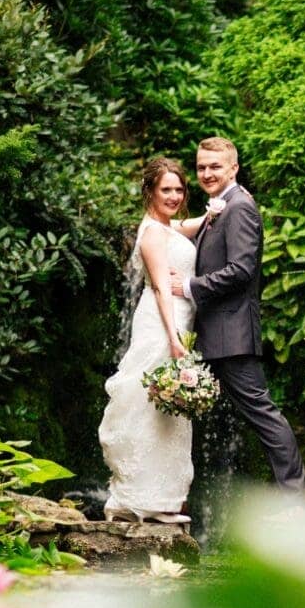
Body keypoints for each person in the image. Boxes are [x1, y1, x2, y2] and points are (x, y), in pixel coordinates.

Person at [170, 137, 305, 517]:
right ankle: (166, 495)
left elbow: (241, 270)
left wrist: (190, 287)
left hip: (231, 335)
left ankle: (297, 502)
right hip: (211, 335)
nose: (207, 173)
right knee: (174, 410)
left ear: (233, 167)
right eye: (201, 167)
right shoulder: (221, 207)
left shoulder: (240, 207)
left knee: (262, 413)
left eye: (215, 166)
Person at [98, 156, 196, 524]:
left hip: (179, 322)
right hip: (162, 324)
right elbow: (158, 287)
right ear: (150, 192)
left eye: (179, 189)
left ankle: (163, 497)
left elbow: (188, 226)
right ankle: (145, 497)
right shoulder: (154, 233)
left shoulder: (167, 227)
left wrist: (221, 209)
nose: (174, 195)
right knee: (150, 405)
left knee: (167, 410)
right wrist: (173, 337)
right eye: (165, 189)